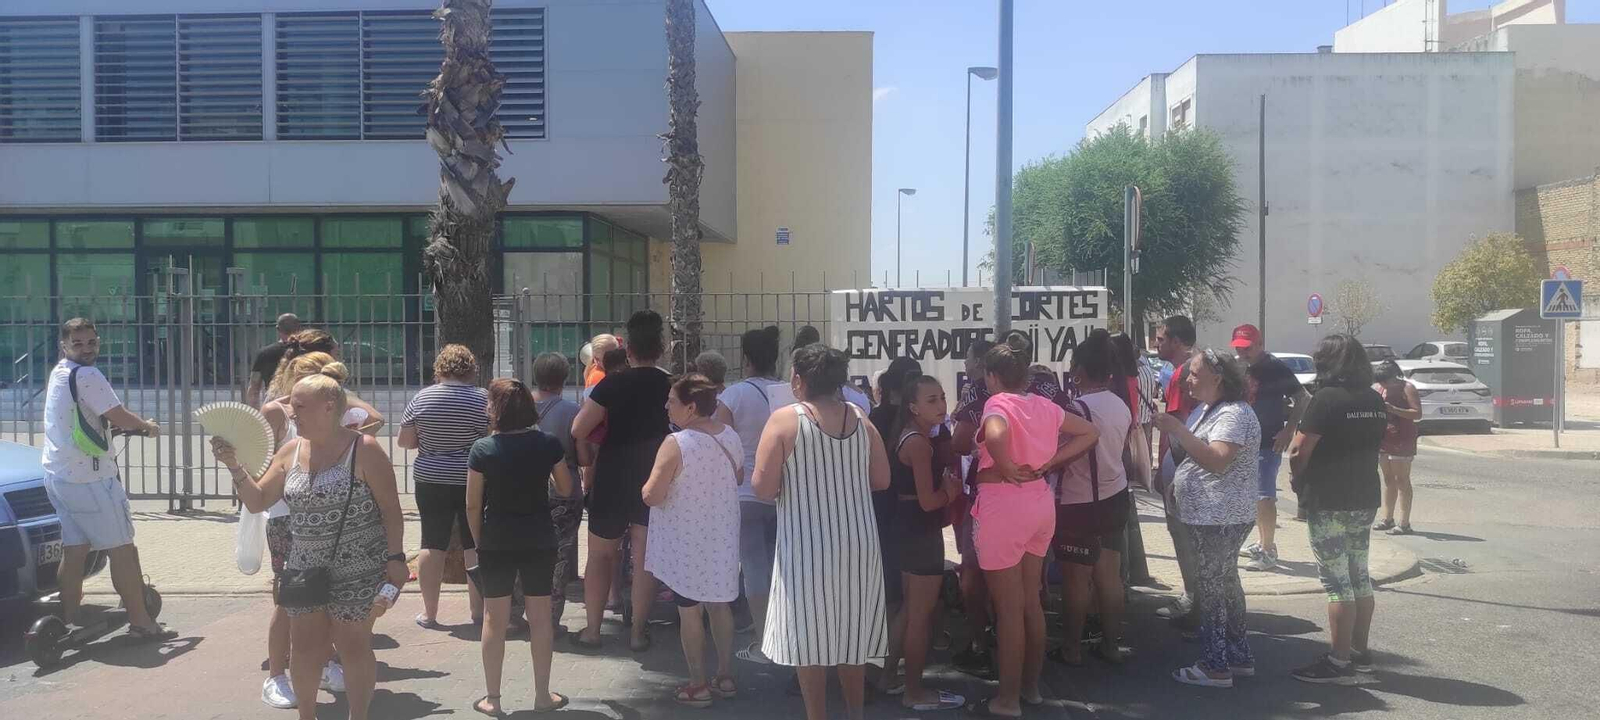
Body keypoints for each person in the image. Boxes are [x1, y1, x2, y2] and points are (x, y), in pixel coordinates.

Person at [219, 370, 407, 720]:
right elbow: (258, 501)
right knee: (304, 650)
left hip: (359, 567)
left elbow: (391, 511)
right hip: (304, 567)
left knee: (353, 646)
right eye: (293, 406)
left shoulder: (364, 450)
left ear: (329, 406)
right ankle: (307, 716)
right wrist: (234, 466)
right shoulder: (291, 450)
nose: (292, 414)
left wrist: (396, 557)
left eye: (300, 407)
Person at [751, 343, 891, 720]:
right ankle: (855, 713)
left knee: (808, 637)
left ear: (798, 380)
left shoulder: (784, 420)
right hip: (858, 543)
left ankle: (818, 716)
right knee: (852, 633)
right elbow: (881, 479)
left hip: (806, 546)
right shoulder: (861, 418)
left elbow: (762, 488)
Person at [970, 334, 1100, 718]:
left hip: (1003, 507)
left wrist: (1005, 464)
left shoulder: (997, 402)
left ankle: (1007, 700)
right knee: (1030, 601)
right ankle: (1030, 687)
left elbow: (994, 432)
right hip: (1040, 502)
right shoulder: (1045, 405)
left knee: (1008, 609)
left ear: (992, 376)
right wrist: (1052, 461)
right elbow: (1090, 433)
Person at [41, 318, 174, 640]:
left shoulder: (61, 372)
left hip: (59, 475)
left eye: (91, 343)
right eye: (78, 344)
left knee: (75, 549)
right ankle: (142, 623)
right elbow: (117, 414)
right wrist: (146, 426)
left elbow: (82, 418)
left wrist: (118, 426)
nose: (86, 350)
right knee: (122, 549)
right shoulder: (88, 375)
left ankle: (69, 620)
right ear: (64, 345)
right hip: (90, 478)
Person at [257, 351, 375, 707]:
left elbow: (374, 420)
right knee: (289, 599)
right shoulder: (278, 412)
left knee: (328, 612)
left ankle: (322, 666)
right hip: (284, 517)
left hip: (334, 530)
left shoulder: (329, 412)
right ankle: (277, 674)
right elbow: (260, 472)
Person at [465, 378, 573, 715]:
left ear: (494, 409)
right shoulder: (548, 443)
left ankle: (493, 699)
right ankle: (543, 695)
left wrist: (480, 540)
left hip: (497, 538)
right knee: (540, 619)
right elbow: (566, 488)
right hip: (539, 536)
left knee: (494, 621)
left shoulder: (482, 449)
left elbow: (472, 504)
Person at [1156, 349, 1261, 688]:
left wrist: (1175, 428)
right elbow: (1199, 455)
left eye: (1195, 373)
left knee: (1212, 588)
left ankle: (1215, 665)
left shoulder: (1234, 414)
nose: (1188, 379)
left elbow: (1217, 460)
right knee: (1225, 582)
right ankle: (1238, 654)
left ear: (1217, 378)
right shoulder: (1211, 410)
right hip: (1213, 513)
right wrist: (1178, 480)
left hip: (1221, 516)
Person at [1289, 334, 1387, 684]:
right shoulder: (1375, 399)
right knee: (1359, 573)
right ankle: (1360, 653)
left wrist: (1296, 479)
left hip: (1329, 499)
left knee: (1336, 582)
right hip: (1365, 496)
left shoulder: (1325, 399)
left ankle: (1339, 660)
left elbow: (1300, 451)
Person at [572, 309, 672, 651]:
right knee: (645, 558)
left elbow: (578, 429)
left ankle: (593, 630)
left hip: (613, 474)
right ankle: (637, 632)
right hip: (654, 476)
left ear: (628, 348)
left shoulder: (611, 384)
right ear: (661, 348)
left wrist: (585, 457)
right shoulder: (670, 384)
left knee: (600, 555)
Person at [642, 374, 744, 707]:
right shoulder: (729, 435)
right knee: (720, 605)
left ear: (689, 407)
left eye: (671, 400)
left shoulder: (677, 443)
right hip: (722, 536)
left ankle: (698, 683)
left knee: (689, 611)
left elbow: (652, 495)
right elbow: (738, 475)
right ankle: (725, 676)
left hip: (687, 541)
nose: (666, 406)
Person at [883, 373, 966, 711]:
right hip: (920, 534)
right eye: (931, 400)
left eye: (943, 397)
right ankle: (914, 691)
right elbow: (928, 500)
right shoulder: (918, 442)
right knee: (920, 614)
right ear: (913, 406)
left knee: (908, 611)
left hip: (910, 532)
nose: (941, 404)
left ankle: (889, 677)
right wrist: (950, 491)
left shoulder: (917, 436)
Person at [1052, 330, 1132, 667]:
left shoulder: (1077, 409)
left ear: (1079, 371)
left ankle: (1071, 649)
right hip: (1115, 497)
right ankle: (1112, 645)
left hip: (1079, 503)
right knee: (1108, 576)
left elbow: (1064, 456)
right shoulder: (1120, 405)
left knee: (1076, 579)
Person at [398, 344, 489, 629]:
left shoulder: (422, 398)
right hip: (470, 478)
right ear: (471, 368)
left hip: (430, 477)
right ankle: (477, 612)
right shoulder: (481, 399)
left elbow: (405, 441)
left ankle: (430, 612)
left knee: (431, 542)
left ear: (440, 368)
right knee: (473, 542)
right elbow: (489, 439)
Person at [716, 327, 787, 665]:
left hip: (743, 492)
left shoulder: (733, 396)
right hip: (784, 492)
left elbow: (719, 443)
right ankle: (786, 632)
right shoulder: (789, 394)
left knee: (754, 567)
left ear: (745, 359)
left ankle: (764, 640)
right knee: (781, 566)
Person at [1231, 324, 1312, 572]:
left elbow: (1303, 397)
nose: (1242, 353)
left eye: (1247, 348)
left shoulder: (1274, 367)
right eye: (1239, 348)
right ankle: (1262, 542)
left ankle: (1268, 550)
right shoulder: (1240, 366)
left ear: (1260, 344)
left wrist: (1289, 429)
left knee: (1265, 496)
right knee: (1253, 495)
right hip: (1244, 441)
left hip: (1268, 441)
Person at [866, 356, 921, 694]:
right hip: (906, 509)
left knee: (886, 589)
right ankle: (884, 669)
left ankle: (877, 663)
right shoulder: (909, 422)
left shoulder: (874, 417)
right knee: (899, 594)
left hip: (877, 507)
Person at [1153, 316, 1202, 628]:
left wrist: (1168, 470)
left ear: (1176, 340)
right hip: (1189, 462)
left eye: (1160, 339)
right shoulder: (1193, 369)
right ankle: (1194, 597)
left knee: (1183, 533)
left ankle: (1194, 602)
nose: (1156, 344)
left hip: (1182, 463)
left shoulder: (1184, 374)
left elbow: (1176, 426)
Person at [531, 352, 583, 631]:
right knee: (560, 556)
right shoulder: (572, 411)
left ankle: (517, 613)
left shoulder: (520, 407)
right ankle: (550, 620)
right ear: (564, 379)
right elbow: (583, 455)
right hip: (564, 491)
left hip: (527, 489)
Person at [1110, 332, 1156, 585]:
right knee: (1127, 511)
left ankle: (1123, 576)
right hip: (1133, 439)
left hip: (1121, 445)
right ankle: (1130, 574)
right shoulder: (1141, 374)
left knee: (1121, 519)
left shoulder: (1117, 380)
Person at [1371, 360, 1421, 535]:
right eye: (1380, 381)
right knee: (1388, 479)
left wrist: (1393, 409)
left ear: (1393, 377)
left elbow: (1417, 413)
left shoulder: (1407, 388)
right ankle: (1387, 518)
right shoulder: (1378, 388)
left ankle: (1405, 522)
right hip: (1384, 437)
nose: (1383, 384)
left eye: (1385, 381)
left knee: (1402, 480)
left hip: (1402, 438)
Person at [247, 313, 301, 408]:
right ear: (299, 328)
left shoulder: (264, 353)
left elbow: (254, 388)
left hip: (274, 405)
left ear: (277, 329)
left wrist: (256, 416)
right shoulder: (308, 351)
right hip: (302, 404)